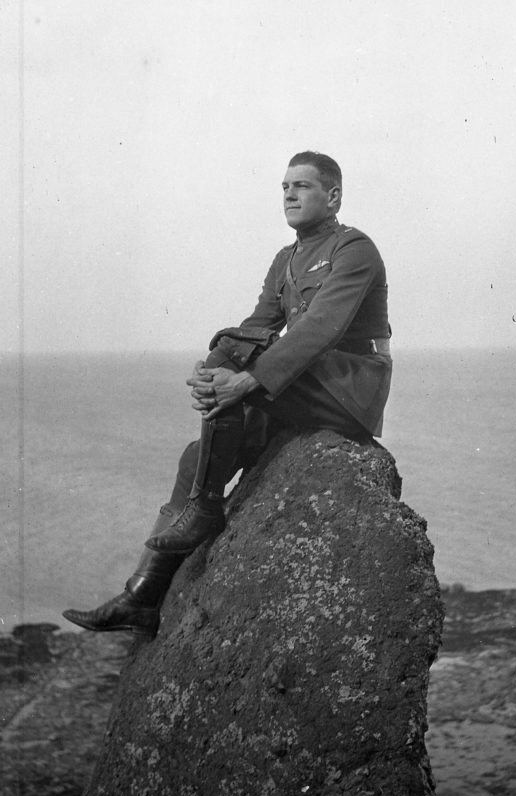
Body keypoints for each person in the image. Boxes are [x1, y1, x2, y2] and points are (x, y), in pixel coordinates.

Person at [63, 151, 391, 637]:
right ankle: (141, 597)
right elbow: (257, 327)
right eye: (284, 187)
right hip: (303, 386)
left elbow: (321, 327)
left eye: (301, 186)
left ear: (333, 195)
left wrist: (244, 380)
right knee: (195, 454)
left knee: (236, 370)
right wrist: (212, 368)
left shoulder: (354, 249)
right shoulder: (286, 259)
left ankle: (207, 508)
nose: (289, 195)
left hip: (349, 386)